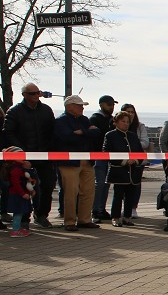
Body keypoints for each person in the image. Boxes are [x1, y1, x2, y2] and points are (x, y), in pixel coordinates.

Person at [3, 83, 57, 228]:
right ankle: (24, 218)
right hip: (24, 156)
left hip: (44, 155)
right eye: (32, 93)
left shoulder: (46, 110)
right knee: (24, 186)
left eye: (38, 93)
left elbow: (53, 131)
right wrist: (21, 153)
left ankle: (41, 214)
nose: (36, 96)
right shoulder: (14, 111)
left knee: (48, 184)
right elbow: (8, 132)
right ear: (24, 95)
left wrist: (51, 149)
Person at [53, 95, 100, 231]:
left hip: (86, 160)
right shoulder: (61, 121)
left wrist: (82, 133)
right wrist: (86, 133)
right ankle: (69, 221)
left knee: (88, 191)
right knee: (71, 192)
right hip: (69, 162)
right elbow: (68, 138)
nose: (82, 108)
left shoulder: (84, 120)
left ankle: (85, 219)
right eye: (79, 105)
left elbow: (96, 132)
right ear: (70, 106)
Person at [104, 111, 142, 226]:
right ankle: (115, 217)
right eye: (123, 121)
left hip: (133, 170)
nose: (126, 124)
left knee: (130, 195)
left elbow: (140, 152)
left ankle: (127, 216)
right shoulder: (110, 135)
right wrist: (124, 161)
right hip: (119, 171)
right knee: (118, 195)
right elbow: (106, 153)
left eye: (127, 122)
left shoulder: (133, 136)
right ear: (116, 122)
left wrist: (135, 160)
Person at [88, 95, 116, 223]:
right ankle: (95, 210)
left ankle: (101, 209)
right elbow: (98, 136)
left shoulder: (111, 119)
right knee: (99, 184)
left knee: (106, 184)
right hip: (98, 156)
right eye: (109, 104)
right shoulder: (95, 118)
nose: (111, 107)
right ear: (101, 105)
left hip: (109, 156)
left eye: (112, 105)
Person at [120, 104, 148, 217]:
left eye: (132, 112)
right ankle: (124, 208)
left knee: (136, 184)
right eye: (128, 112)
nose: (130, 114)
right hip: (123, 160)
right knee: (122, 185)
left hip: (137, 160)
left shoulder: (140, 126)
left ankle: (133, 208)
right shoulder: (119, 127)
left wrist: (131, 146)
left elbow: (145, 142)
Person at [4, 148, 35, 237]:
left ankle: (17, 228)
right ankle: (15, 230)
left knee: (20, 212)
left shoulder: (20, 168)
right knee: (18, 213)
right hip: (17, 194)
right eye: (20, 155)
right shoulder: (16, 170)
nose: (23, 157)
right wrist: (23, 193)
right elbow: (16, 184)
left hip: (20, 193)